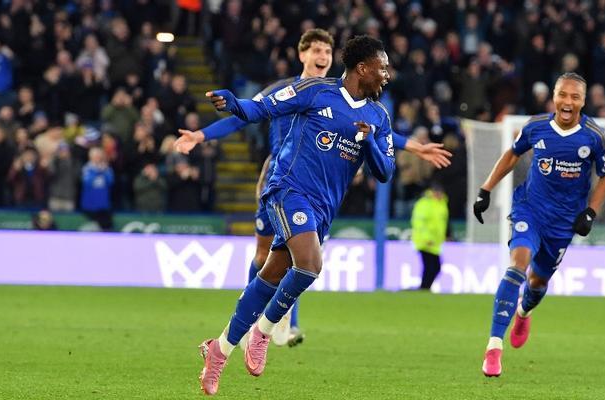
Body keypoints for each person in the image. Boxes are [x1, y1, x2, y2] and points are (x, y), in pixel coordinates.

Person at [176, 29, 451, 349]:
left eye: (327, 51)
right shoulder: (292, 90)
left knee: (296, 259)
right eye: (316, 50)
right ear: (302, 54)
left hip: (321, 191)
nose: (322, 56)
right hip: (280, 181)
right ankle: (258, 325)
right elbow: (244, 115)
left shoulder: (353, 101)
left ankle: (270, 325)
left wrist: (413, 147)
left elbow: (372, 132)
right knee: (276, 255)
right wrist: (201, 135)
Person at [185, 35, 397, 395]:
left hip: (323, 209)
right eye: (383, 68)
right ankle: (264, 330)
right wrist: (235, 104)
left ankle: (218, 350)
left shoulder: (378, 116)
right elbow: (261, 108)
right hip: (287, 189)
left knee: (272, 272)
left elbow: (385, 172)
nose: (387, 76)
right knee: (311, 264)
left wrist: (370, 141)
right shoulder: (315, 91)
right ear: (362, 68)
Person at [472, 72, 605, 377]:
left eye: (575, 96)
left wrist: (590, 212)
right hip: (530, 210)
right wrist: (486, 189)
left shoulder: (595, 136)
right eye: (563, 95)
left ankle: (523, 312)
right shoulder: (536, 127)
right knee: (517, 264)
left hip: (563, 224)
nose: (568, 101)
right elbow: (512, 155)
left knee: (537, 282)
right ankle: (494, 346)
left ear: (583, 101)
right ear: (554, 97)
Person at [411, 183, 449, 290]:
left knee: (433, 267)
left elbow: (443, 223)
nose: (439, 194)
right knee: (432, 266)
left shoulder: (442, 204)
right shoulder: (424, 203)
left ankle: (425, 288)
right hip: (424, 241)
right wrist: (426, 238)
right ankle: (424, 287)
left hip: (435, 243)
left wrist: (445, 235)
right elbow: (419, 223)